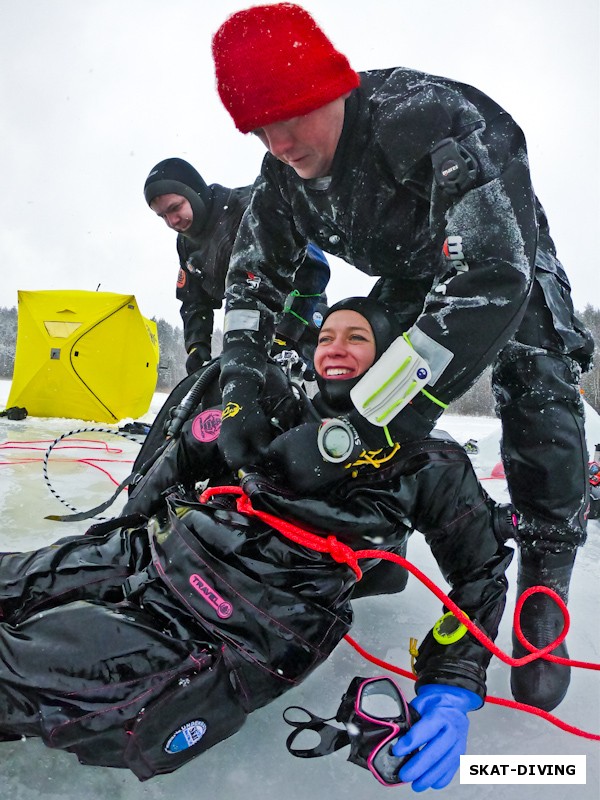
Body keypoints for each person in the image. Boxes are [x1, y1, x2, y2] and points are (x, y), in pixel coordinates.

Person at [210, 2, 595, 712]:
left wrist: (373, 422)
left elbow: (489, 277)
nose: (280, 140)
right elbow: (251, 281)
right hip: (410, 279)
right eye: (260, 128)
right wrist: (238, 386)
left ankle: (545, 564)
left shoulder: (432, 120)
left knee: (534, 373)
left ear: (333, 86)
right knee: (355, 361)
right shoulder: (282, 176)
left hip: (504, 261)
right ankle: (369, 529)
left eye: (291, 115)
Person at [0, 297, 515, 791]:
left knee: (20, 671)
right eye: (327, 337)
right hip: (156, 548)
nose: (335, 347)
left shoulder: (427, 459)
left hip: (239, 620)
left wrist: (450, 684)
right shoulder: (272, 409)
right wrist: (125, 526)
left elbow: (482, 573)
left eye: (356, 337)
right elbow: (184, 454)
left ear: (390, 356)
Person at [143, 157, 330, 375]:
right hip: (249, 327)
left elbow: (314, 268)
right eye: (162, 216)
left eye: (175, 208)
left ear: (193, 193)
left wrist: (287, 333)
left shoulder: (252, 206)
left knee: (317, 387)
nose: (172, 221)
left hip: (301, 314)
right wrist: (197, 346)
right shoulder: (186, 244)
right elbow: (193, 299)